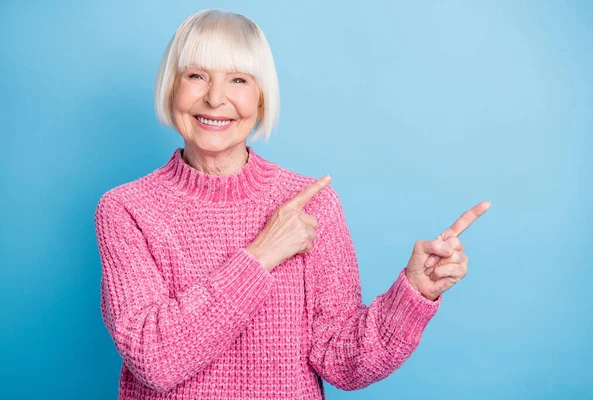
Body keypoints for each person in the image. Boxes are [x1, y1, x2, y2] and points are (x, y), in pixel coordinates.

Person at [94, 8, 491, 400]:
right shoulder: (126, 209)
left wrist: (414, 293)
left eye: (238, 79)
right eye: (197, 75)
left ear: (262, 100)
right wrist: (262, 254)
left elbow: (344, 362)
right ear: (171, 89)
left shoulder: (311, 205)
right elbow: (155, 359)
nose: (215, 98)